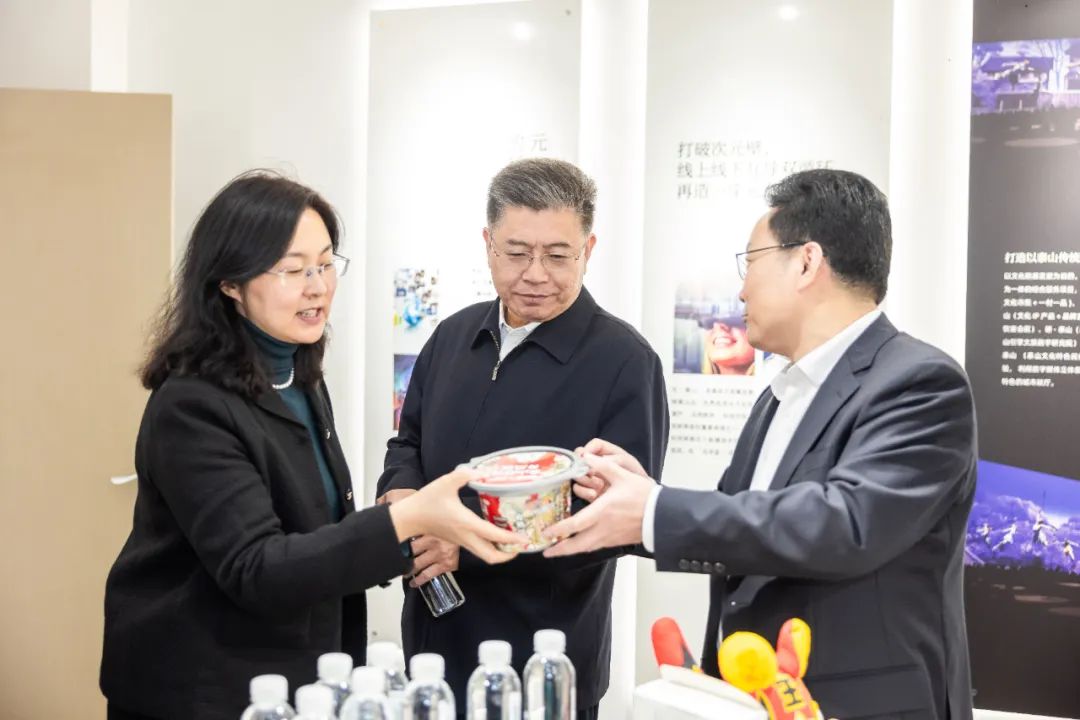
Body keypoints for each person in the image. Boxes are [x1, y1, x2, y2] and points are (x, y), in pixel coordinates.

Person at [545, 169, 978, 720]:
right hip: (751, 699)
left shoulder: (920, 382)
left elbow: (846, 523)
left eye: (750, 263)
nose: (742, 290)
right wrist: (637, 499)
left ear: (806, 263)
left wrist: (654, 510)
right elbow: (745, 522)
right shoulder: (782, 392)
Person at [100, 171, 522, 720]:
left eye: (325, 264)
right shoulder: (192, 406)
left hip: (295, 674)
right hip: (201, 687)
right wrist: (406, 520)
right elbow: (258, 568)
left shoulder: (297, 373)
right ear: (229, 283)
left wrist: (408, 531)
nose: (318, 286)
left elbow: (311, 531)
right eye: (292, 270)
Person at [377, 158, 669, 718]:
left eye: (558, 255)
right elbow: (407, 441)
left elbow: (618, 521)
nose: (536, 274)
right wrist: (403, 500)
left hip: (545, 657)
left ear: (588, 250)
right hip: (434, 642)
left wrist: (465, 545)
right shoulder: (452, 337)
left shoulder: (624, 361)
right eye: (516, 253)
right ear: (488, 244)